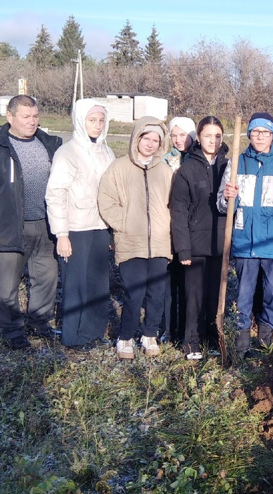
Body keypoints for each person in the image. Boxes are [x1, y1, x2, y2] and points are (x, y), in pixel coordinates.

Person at [0, 95, 62, 350]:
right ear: (9, 117)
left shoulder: (50, 143)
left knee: (46, 277)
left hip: (45, 224)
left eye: (35, 116)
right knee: (8, 283)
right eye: (25, 117)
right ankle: (11, 331)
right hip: (9, 225)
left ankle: (40, 323)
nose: (32, 122)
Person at [218, 112, 273, 357]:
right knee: (244, 294)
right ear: (249, 134)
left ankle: (267, 335)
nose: (260, 137)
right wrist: (226, 197)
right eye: (255, 132)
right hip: (244, 242)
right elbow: (221, 206)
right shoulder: (237, 163)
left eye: (265, 132)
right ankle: (242, 341)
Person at [98, 117, 173, 360]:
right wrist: (125, 223)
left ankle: (149, 334)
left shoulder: (164, 170)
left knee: (157, 292)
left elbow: (174, 203)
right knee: (134, 292)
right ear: (137, 138)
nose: (150, 144)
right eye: (146, 138)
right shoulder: (118, 168)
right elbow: (106, 201)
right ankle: (125, 337)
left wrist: (167, 227)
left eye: (156, 140)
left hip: (160, 242)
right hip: (131, 242)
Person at [45, 99, 115, 351]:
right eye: (91, 120)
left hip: (100, 227)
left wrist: (112, 229)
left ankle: (95, 331)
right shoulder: (67, 153)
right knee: (76, 283)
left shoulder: (106, 151)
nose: (97, 125)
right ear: (80, 121)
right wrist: (62, 234)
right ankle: (74, 336)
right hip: (76, 227)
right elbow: (56, 193)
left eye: (101, 120)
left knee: (98, 281)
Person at [171, 116, 230, 360]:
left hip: (220, 242)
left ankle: (212, 338)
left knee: (214, 295)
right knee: (193, 295)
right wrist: (182, 249)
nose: (212, 140)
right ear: (199, 137)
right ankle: (191, 341)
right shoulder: (187, 169)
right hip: (195, 243)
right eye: (208, 135)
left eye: (217, 136)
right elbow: (178, 210)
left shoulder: (229, 166)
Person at [163, 116, 197, 344]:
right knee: (170, 281)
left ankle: (188, 326)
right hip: (169, 224)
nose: (177, 140)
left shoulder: (197, 158)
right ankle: (169, 327)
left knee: (190, 282)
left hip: (192, 227)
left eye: (182, 134)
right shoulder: (166, 160)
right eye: (173, 135)